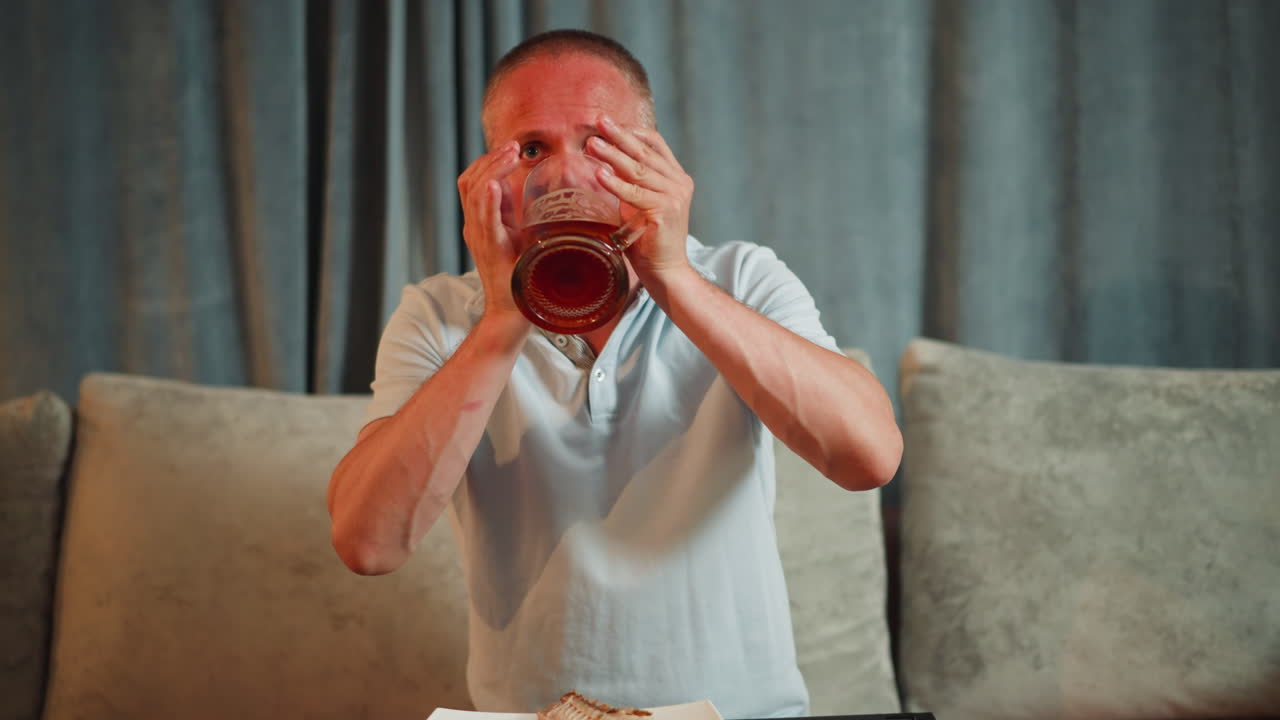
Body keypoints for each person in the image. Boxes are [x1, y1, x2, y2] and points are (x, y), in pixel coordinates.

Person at [327, 28, 902, 718]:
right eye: (532, 148)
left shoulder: (740, 278)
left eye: (599, 144)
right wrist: (503, 319)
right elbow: (368, 543)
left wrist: (673, 278)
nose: (566, 177)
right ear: (490, 176)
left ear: (653, 162)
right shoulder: (439, 314)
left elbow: (868, 456)